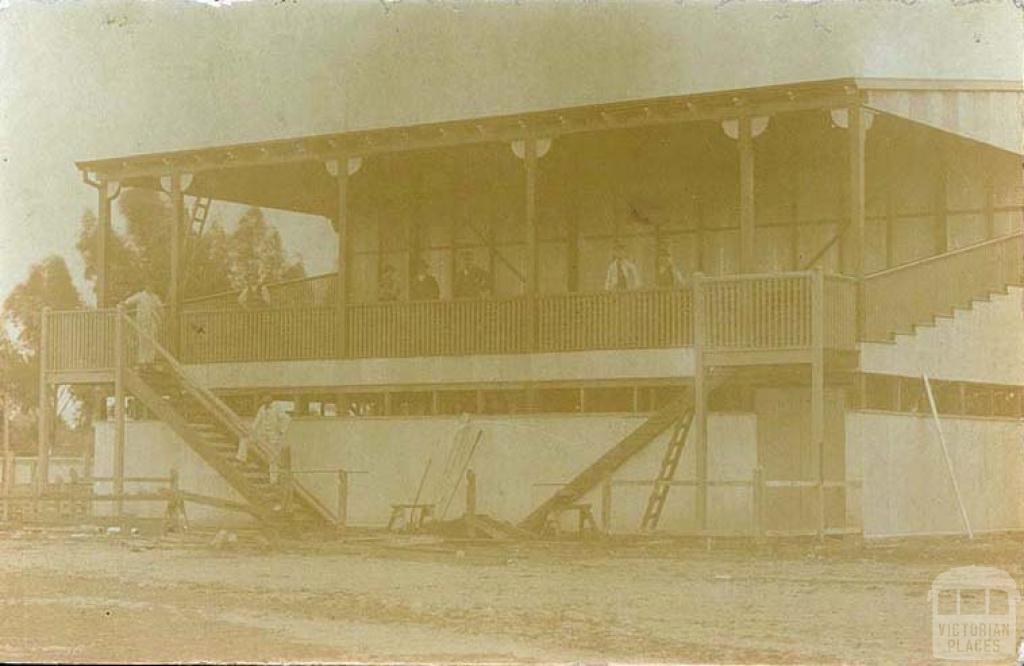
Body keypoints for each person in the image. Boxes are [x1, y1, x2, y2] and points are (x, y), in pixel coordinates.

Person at [236, 394, 291, 490]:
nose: (265, 401)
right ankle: (241, 460)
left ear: (271, 399)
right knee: (245, 440)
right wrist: (250, 432)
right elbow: (256, 422)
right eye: (263, 400)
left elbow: (287, 418)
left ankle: (273, 481)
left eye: (266, 400)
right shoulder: (262, 409)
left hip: (273, 438)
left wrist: (281, 431)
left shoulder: (277, 408)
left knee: (272, 459)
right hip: (262, 436)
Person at [122, 283, 164, 365]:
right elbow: (129, 301)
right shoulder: (140, 296)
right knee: (142, 341)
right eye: (148, 286)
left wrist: (160, 315)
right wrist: (123, 303)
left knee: (152, 341)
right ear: (145, 287)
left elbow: (160, 307)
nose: (150, 288)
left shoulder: (155, 297)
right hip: (142, 322)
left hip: (152, 322)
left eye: (152, 286)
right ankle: (142, 361)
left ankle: (150, 361)